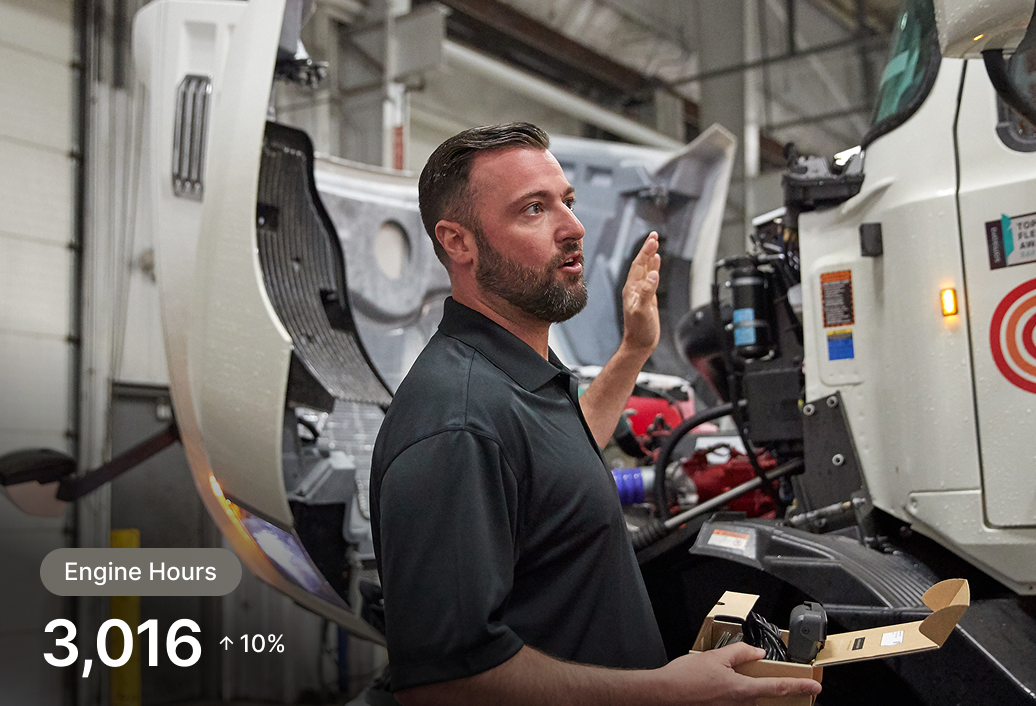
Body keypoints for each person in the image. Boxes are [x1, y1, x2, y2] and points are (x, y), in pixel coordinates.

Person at [370, 123, 822, 706]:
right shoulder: (456, 423)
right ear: (458, 242)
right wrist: (665, 692)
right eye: (534, 209)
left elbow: (557, 463)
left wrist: (633, 349)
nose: (574, 227)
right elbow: (449, 682)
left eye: (568, 202)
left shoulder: (511, 375)